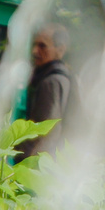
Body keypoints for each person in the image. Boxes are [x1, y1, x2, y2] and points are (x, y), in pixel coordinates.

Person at [20, 22, 73, 155]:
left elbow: (46, 132)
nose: (35, 51)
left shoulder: (52, 81)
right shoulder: (60, 77)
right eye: (34, 45)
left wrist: (25, 163)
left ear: (60, 50)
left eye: (42, 46)